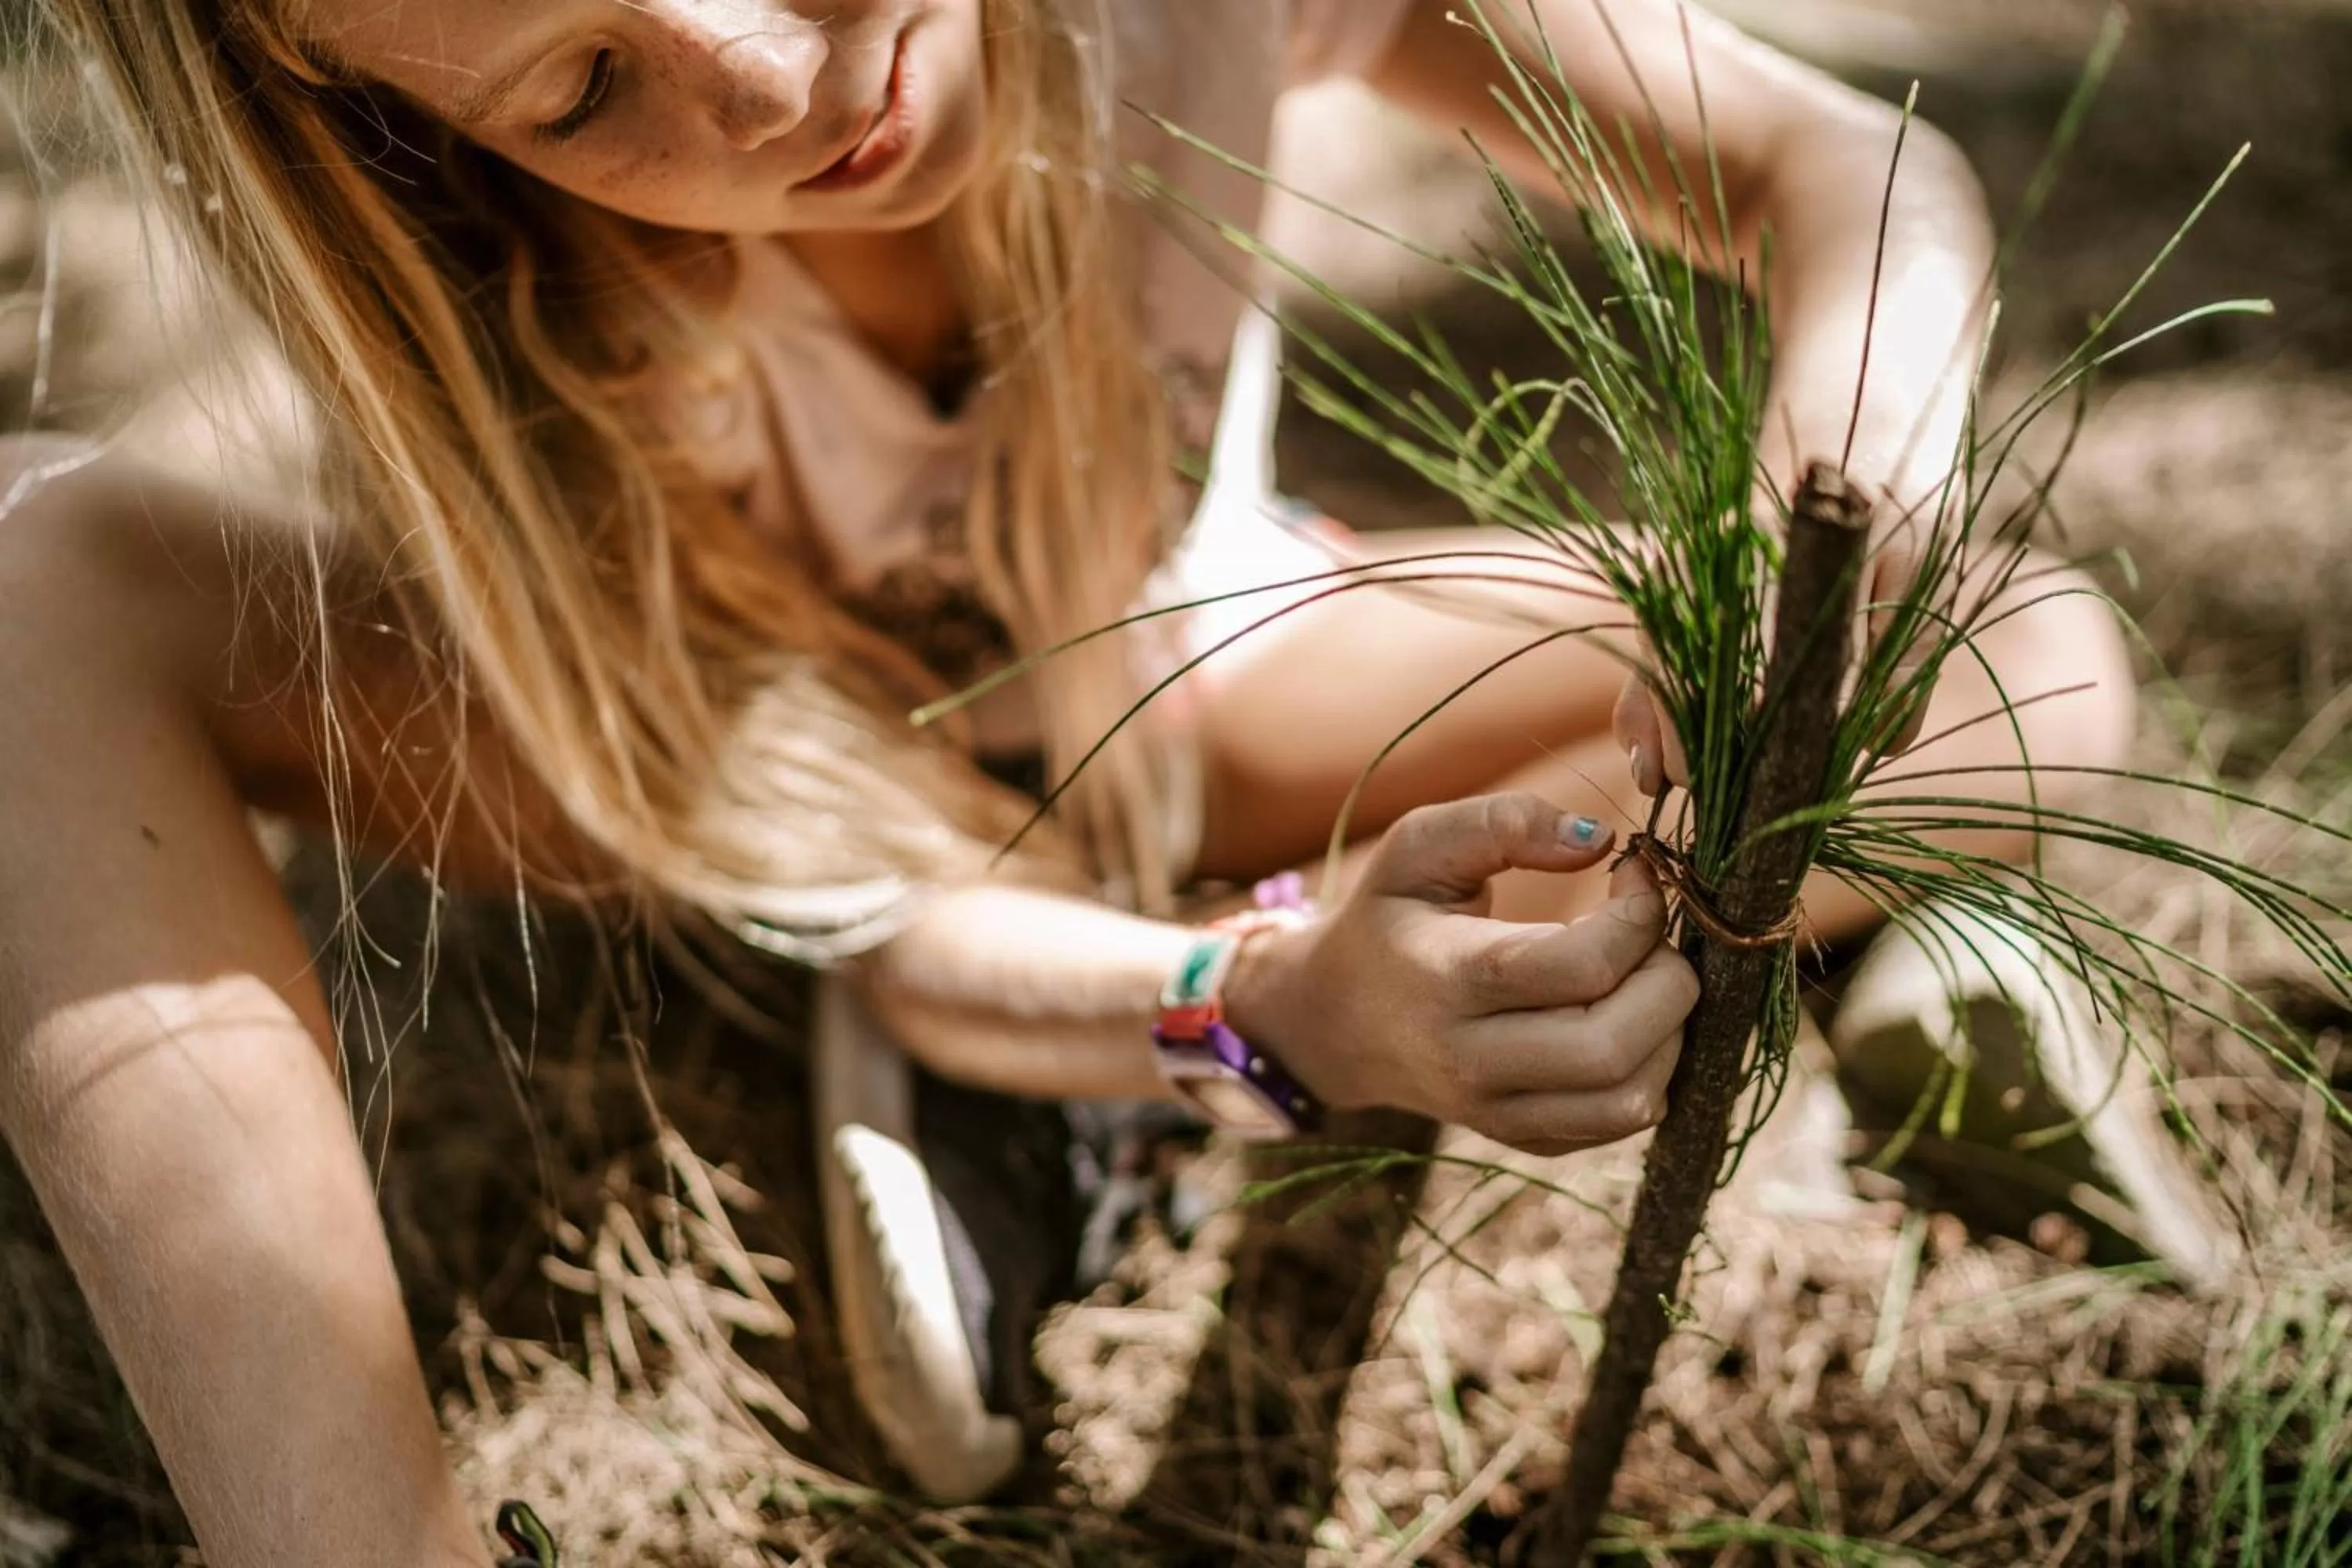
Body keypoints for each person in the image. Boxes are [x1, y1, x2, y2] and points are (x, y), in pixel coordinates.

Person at [0, 0, 2158, 1562]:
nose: (761, 80)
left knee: (2031, 659)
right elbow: (870, 882)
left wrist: (1842, 472)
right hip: (713, 753)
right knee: (20, 576)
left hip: (1187, 662)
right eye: (583, 84)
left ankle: (1325, 997)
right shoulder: (493, 270)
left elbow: (1848, 167)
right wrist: (1260, 1007)